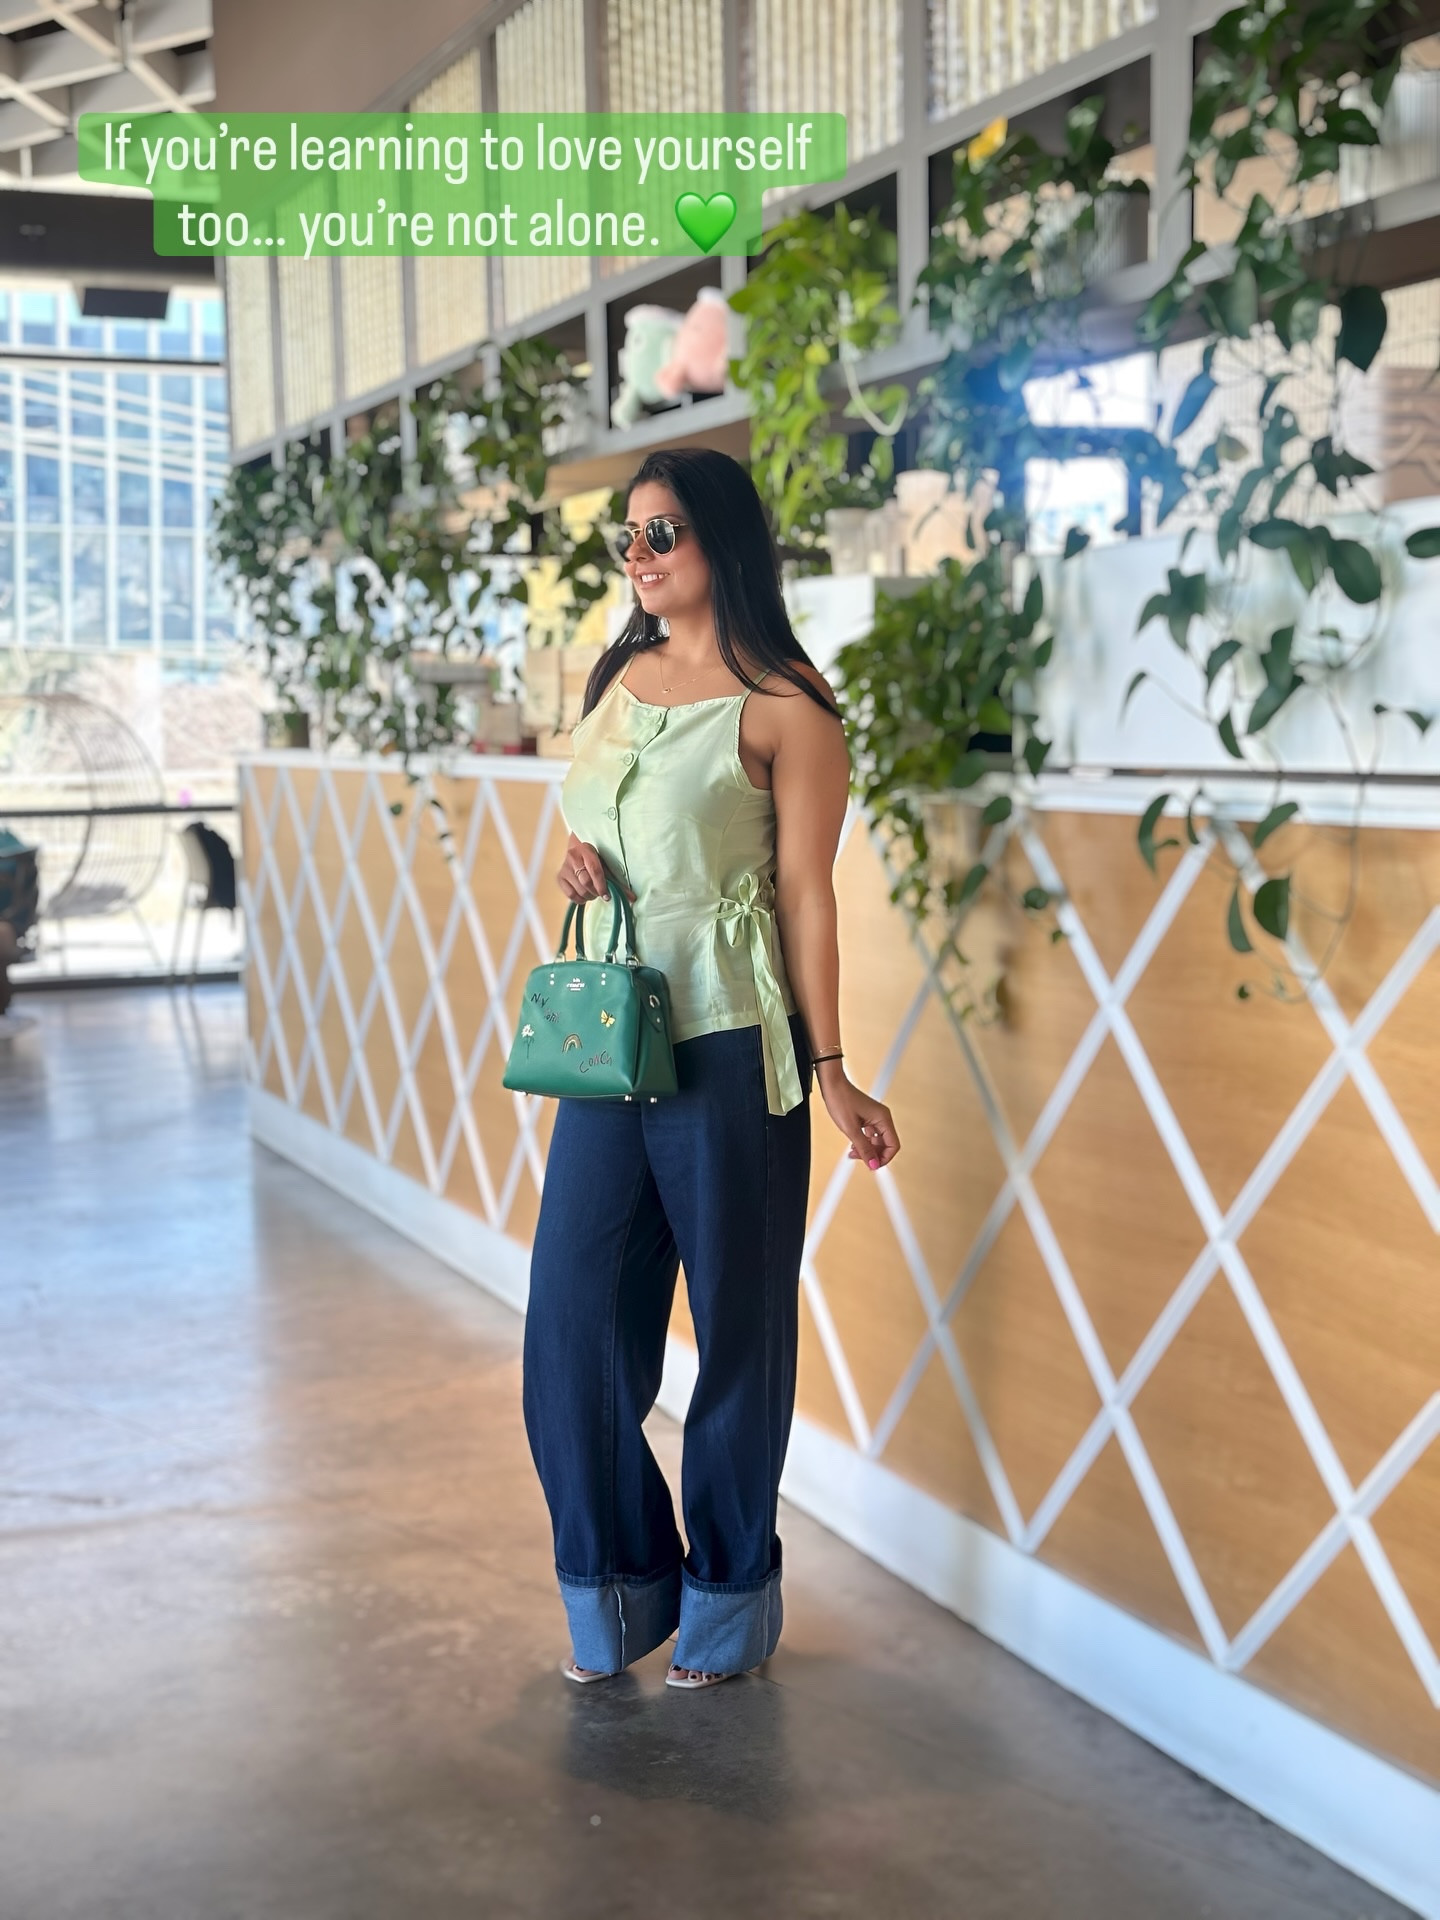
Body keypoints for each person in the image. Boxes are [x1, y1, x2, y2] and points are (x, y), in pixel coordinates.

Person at [521, 446, 900, 1691]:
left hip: (736, 1044)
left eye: (663, 533)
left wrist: (835, 1068)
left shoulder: (790, 704)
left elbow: (807, 894)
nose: (639, 557)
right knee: (572, 1330)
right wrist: (575, 867)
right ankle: (619, 1590)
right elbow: (593, 828)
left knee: (738, 1334)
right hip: (607, 1034)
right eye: (626, 538)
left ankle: (728, 1603)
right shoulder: (618, 676)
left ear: (725, 543)